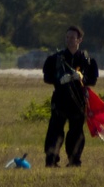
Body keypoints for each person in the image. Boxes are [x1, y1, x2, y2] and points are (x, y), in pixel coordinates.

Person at [42, 25, 99, 167]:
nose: (69, 40)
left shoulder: (87, 60)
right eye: (67, 37)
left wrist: (81, 78)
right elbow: (47, 77)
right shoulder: (56, 58)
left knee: (76, 133)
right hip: (60, 101)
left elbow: (92, 80)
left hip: (78, 102)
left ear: (80, 39)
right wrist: (59, 80)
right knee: (55, 132)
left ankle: (74, 161)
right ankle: (51, 161)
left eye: (72, 38)